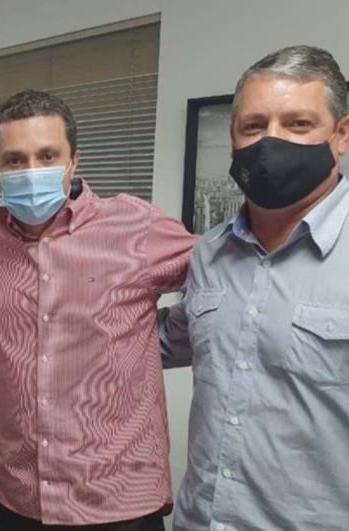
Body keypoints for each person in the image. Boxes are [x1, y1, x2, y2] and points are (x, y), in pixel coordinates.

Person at [0, 89, 197, 530]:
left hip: (118, 500)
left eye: (47, 156)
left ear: (73, 162)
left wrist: (157, 340)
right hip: (22, 496)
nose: (31, 171)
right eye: (14, 160)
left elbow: (227, 281)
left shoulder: (136, 226)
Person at [161, 45, 349, 531]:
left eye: (298, 124)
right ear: (233, 140)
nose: (271, 141)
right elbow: (166, 338)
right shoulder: (209, 253)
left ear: (341, 134)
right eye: (253, 125)